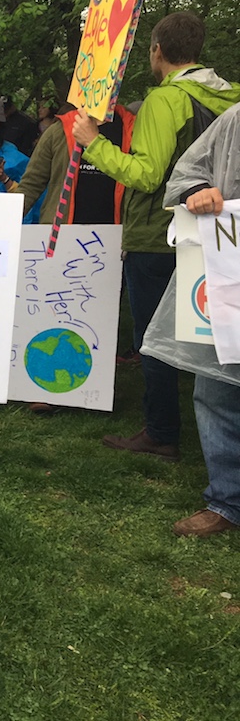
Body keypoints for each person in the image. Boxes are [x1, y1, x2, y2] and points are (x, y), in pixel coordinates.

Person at [72, 11, 240, 461]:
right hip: (222, 235)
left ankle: (162, 430)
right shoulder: (230, 99)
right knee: (219, 335)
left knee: (156, 336)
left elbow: (147, 175)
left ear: (157, 51)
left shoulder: (165, 101)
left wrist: (93, 142)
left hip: (159, 234)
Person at [163, 101, 240, 537]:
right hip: (229, 280)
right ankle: (227, 502)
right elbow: (184, 175)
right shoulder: (234, 121)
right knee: (218, 391)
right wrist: (199, 189)